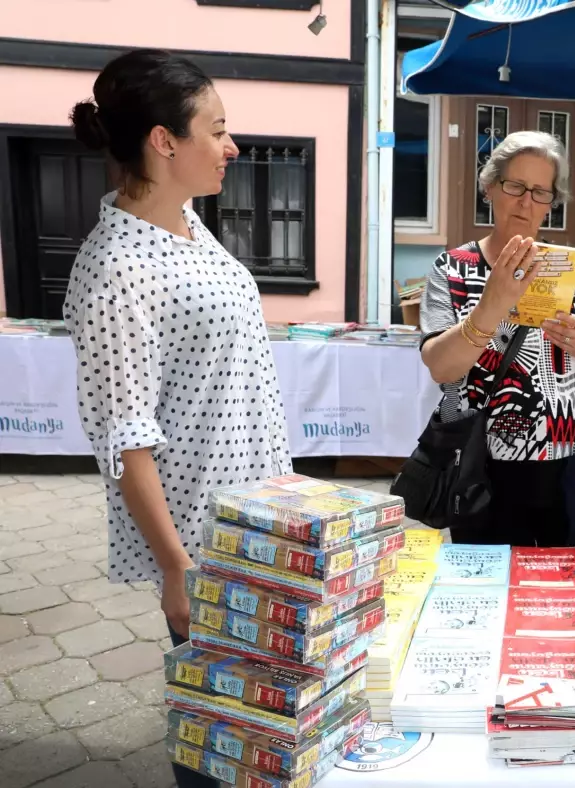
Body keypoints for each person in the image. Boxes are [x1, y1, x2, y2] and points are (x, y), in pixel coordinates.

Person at [64, 50, 289, 788]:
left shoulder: (188, 225)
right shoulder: (116, 267)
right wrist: (177, 569)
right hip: (207, 541)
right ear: (164, 141)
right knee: (222, 739)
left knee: (266, 726)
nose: (232, 146)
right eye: (216, 130)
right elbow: (124, 439)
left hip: (259, 523)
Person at [419, 130, 575, 547]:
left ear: (552, 202)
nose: (525, 202)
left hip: (573, 466)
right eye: (514, 185)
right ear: (489, 187)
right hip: (480, 467)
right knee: (488, 591)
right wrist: (491, 306)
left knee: (566, 594)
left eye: (540, 192)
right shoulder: (453, 267)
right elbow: (441, 368)